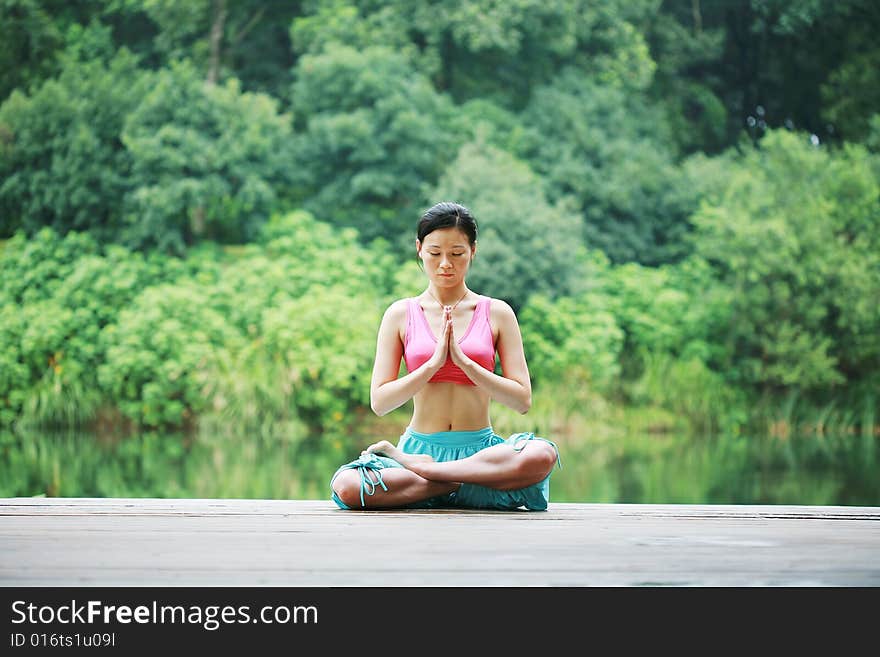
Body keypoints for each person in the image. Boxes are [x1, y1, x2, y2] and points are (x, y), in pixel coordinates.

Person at [329, 201, 561, 511]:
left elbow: (522, 402)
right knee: (347, 486)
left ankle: (437, 479)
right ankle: (448, 483)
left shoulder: (497, 313)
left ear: (473, 251)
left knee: (542, 455)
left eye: (456, 254)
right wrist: (433, 364)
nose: (445, 264)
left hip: (481, 458)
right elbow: (380, 402)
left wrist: (466, 364)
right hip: (418, 452)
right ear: (419, 249)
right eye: (435, 253)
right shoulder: (400, 314)